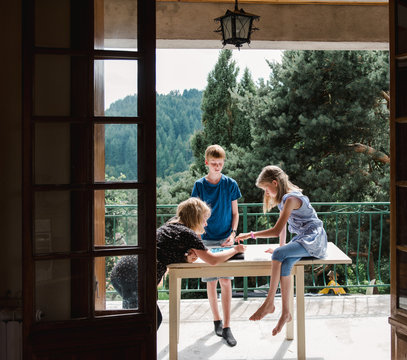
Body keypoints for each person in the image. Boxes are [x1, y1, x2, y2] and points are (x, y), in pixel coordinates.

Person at [110, 197, 245, 333]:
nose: (205, 224)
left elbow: (165, 250)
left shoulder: (172, 224)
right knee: (147, 322)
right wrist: (235, 250)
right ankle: (135, 352)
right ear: (195, 217)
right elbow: (212, 260)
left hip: (125, 271)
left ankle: (135, 351)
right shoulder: (187, 233)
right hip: (134, 276)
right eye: (204, 219)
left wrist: (185, 258)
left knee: (141, 321)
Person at [235, 165, 327, 336]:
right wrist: (281, 246)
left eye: (266, 189)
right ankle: (286, 312)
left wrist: (250, 234)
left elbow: (276, 230)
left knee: (279, 255)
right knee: (284, 261)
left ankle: (269, 302)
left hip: (314, 238)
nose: (266, 193)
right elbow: (283, 229)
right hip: (303, 239)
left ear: (275, 183)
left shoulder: (291, 199)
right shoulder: (284, 200)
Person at [191, 144, 242, 346]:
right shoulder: (199, 185)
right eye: (214, 164)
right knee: (211, 282)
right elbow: (194, 215)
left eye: (220, 164)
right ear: (206, 163)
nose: (217, 167)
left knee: (226, 281)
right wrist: (197, 239)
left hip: (225, 239)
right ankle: (216, 321)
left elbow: (235, 213)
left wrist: (233, 234)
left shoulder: (231, 184)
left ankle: (228, 326)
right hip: (205, 238)